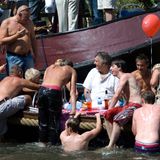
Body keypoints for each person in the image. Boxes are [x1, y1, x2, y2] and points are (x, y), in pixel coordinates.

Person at [36, 59, 77, 146]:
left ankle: (42, 143)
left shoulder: (49, 67)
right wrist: (73, 110)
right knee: (54, 121)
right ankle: (53, 145)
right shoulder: (71, 70)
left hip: (42, 90)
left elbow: (44, 82)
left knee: (42, 121)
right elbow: (73, 92)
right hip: (54, 92)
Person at [103, 59, 142, 149]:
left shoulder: (126, 75)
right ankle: (113, 144)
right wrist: (109, 110)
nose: (110, 68)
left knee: (117, 119)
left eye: (113, 66)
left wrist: (109, 108)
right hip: (128, 105)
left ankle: (110, 146)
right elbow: (120, 97)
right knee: (106, 115)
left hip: (135, 105)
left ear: (119, 67)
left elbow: (116, 95)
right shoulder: (121, 79)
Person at [0, 65, 40, 137]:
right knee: (27, 98)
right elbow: (38, 87)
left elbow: (20, 89)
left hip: (2, 109)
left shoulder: (5, 79)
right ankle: (30, 111)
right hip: (2, 107)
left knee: (2, 135)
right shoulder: (20, 80)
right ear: (20, 72)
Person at [0, 5, 38, 75]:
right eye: (26, 18)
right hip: (14, 57)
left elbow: (33, 39)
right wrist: (16, 36)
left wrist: (36, 55)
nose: (28, 20)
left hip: (28, 56)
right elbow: (1, 41)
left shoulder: (30, 22)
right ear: (19, 14)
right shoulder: (7, 23)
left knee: (30, 79)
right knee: (14, 80)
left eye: (28, 17)